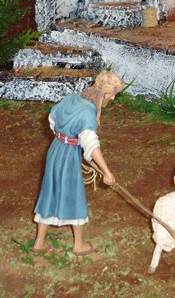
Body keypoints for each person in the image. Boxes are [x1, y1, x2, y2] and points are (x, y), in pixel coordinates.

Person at [32, 71, 125, 256]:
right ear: (104, 93)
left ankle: (39, 242)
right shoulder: (88, 113)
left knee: (49, 191)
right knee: (74, 196)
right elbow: (91, 145)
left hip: (55, 150)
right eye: (112, 94)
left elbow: (52, 119)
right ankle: (79, 245)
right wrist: (106, 172)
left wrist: (64, 137)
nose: (113, 98)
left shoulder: (72, 98)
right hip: (68, 157)